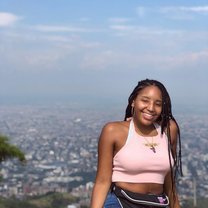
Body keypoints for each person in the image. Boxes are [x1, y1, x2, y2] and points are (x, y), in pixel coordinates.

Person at [90, 79, 182, 208]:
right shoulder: (113, 131)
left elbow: (168, 179)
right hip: (121, 202)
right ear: (133, 101)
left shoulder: (169, 130)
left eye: (158, 104)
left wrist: (175, 205)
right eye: (145, 100)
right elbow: (102, 181)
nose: (150, 108)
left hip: (157, 203)